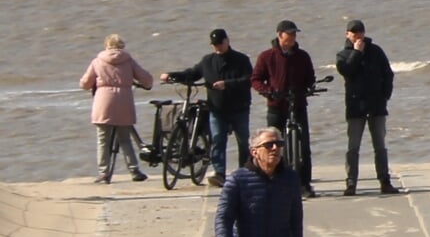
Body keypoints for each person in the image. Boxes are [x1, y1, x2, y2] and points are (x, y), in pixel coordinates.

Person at [159, 28, 254, 188]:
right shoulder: (207, 61)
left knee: (243, 141)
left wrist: (227, 84)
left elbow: (249, 79)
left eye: (220, 44)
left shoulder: (241, 59)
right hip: (217, 109)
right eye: (214, 45)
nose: (217, 47)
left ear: (227, 41)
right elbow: (193, 73)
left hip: (239, 108)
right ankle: (219, 174)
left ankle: (244, 172)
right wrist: (171, 75)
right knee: (217, 140)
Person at [252, 20, 319, 198]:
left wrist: (309, 88)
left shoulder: (302, 56)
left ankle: (305, 184)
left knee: (303, 145)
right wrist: (268, 91)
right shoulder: (267, 56)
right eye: (289, 34)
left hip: (297, 104)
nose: (292, 38)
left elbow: (310, 78)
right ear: (279, 35)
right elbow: (256, 79)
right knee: (271, 145)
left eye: (294, 34)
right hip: (276, 105)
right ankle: (273, 181)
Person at [335, 19, 399, 196]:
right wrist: (357, 53)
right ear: (347, 34)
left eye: (360, 32)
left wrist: (385, 96)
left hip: (376, 106)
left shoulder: (376, 51)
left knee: (380, 146)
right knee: (353, 147)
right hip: (356, 107)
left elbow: (388, 74)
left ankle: (385, 181)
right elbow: (346, 71)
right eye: (354, 32)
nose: (357, 35)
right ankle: (351, 183)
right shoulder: (343, 55)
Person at [79, 33, 153, 184]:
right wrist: (147, 84)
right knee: (125, 138)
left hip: (104, 101)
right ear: (121, 46)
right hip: (124, 102)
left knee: (102, 139)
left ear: (106, 45)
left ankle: (103, 173)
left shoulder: (97, 61)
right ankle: (134, 170)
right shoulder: (128, 60)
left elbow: (85, 83)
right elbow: (145, 78)